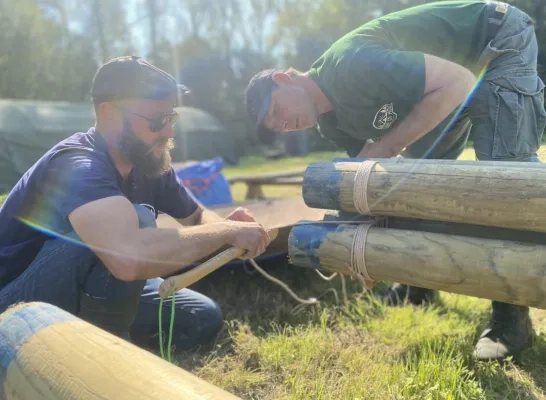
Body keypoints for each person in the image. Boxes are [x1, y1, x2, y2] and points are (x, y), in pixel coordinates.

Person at [244, 1, 546, 362]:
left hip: (493, 40)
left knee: (504, 181)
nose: (282, 125)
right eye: (275, 127)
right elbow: (371, 181)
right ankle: (418, 282)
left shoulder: (348, 66)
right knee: (418, 184)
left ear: (283, 78)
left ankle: (510, 321)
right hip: (445, 82)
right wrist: (359, 247)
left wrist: (389, 144)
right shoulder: (331, 123)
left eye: (276, 112)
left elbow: (459, 82)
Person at [0, 55, 272, 352]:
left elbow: (195, 219)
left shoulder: (149, 161)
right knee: (129, 229)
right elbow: (127, 255)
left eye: (171, 118)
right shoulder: (76, 165)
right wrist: (226, 233)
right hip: (12, 304)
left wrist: (226, 227)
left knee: (200, 317)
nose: (168, 132)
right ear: (109, 114)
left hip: (84, 284)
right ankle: (102, 361)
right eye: (157, 121)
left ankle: (90, 333)